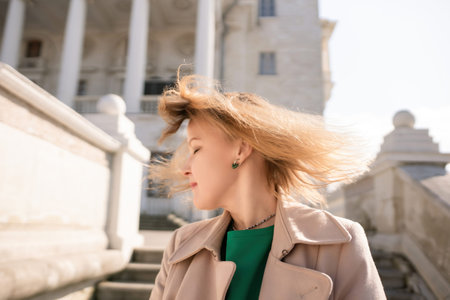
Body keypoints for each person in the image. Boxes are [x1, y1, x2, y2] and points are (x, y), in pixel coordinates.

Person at [148, 74, 386, 300]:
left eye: (196, 149)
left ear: (240, 150)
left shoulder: (340, 243)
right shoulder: (181, 246)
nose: (185, 168)